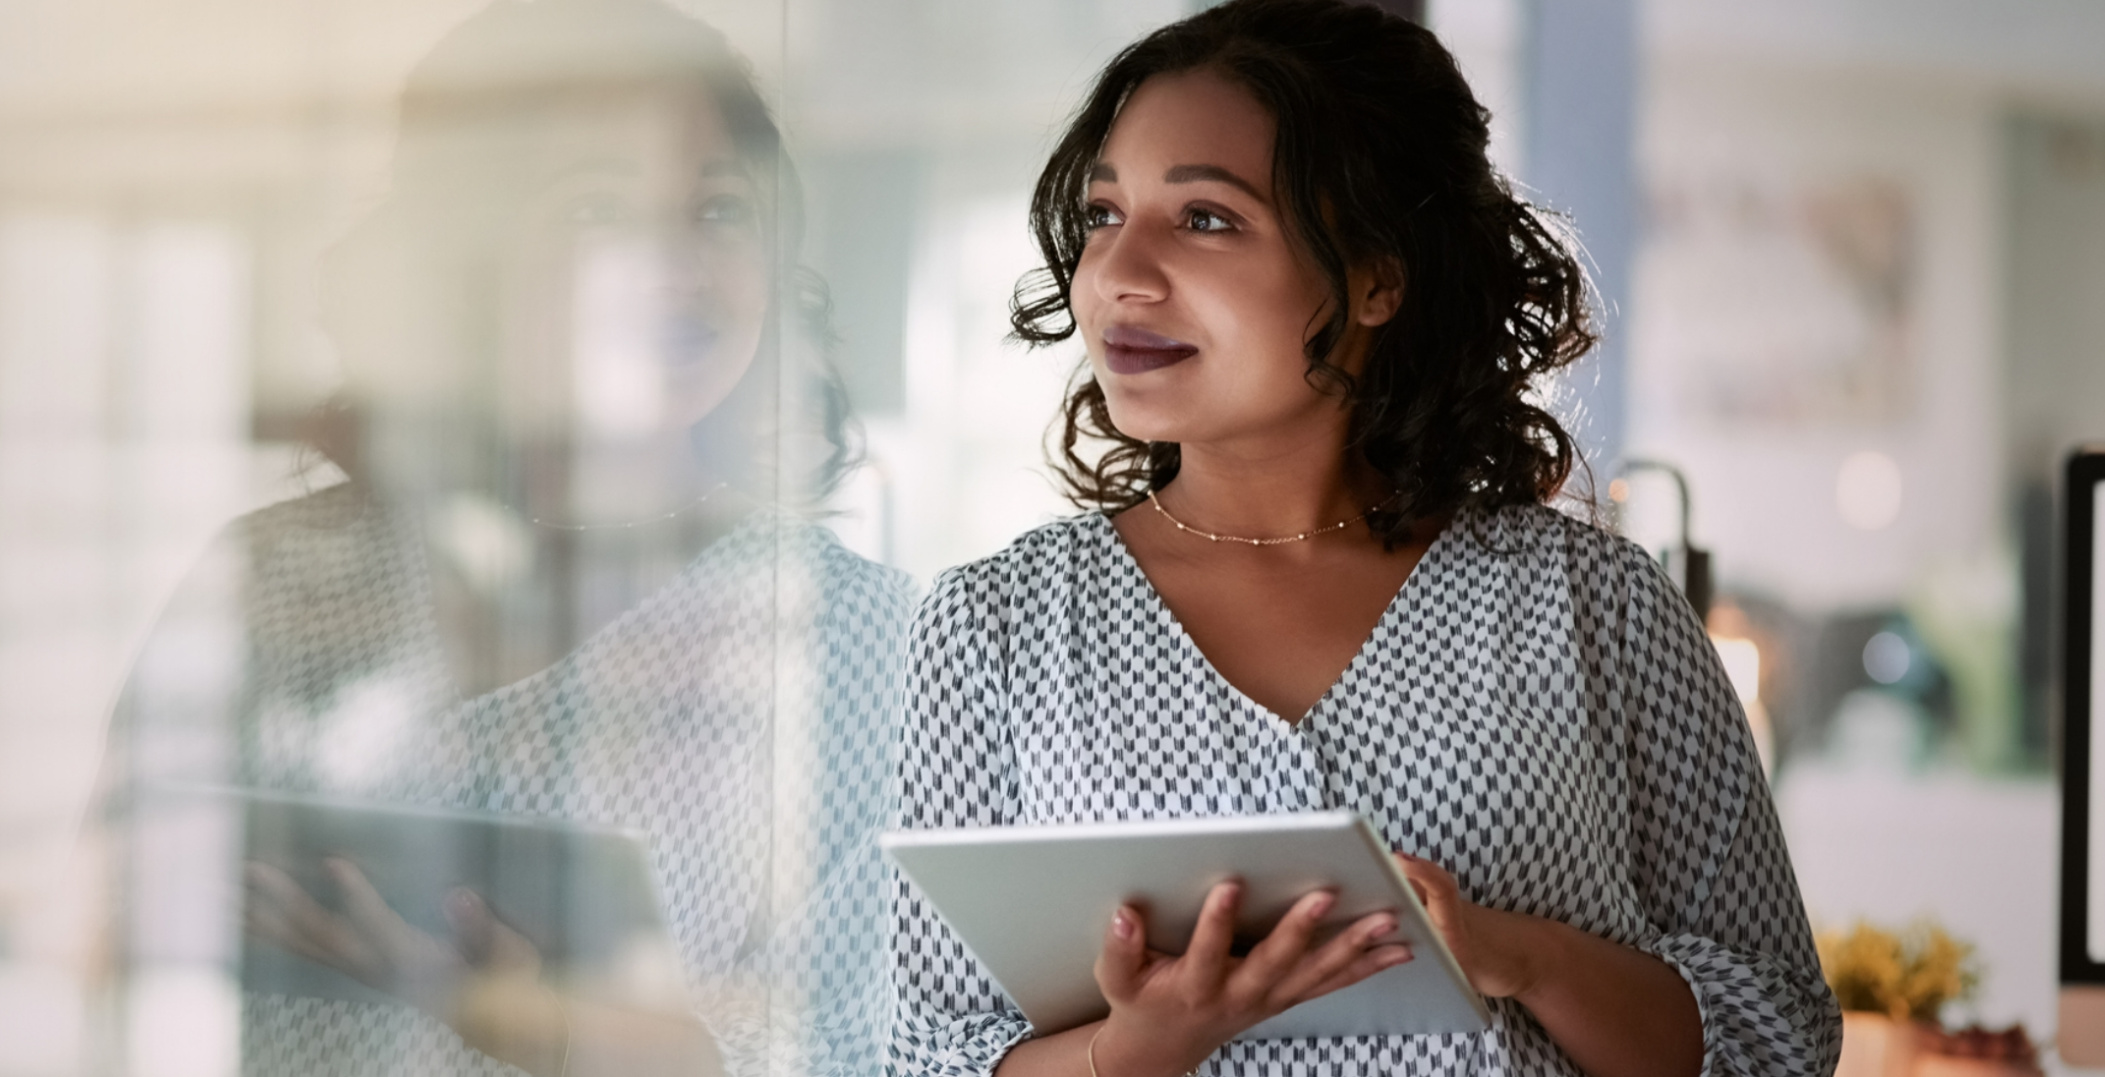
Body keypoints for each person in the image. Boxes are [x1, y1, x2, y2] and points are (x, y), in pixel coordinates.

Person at [885, 2, 1837, 1076]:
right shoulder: (992, 632)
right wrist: (1131, 1052)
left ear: (1377, 278)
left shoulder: (1595, 608)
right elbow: (929, 1056)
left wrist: (1517, 955)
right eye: (1105, 215)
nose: (1120, 274)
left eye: (1205, 219)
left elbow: (1778, 1037)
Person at [95, 2, 907, 1075]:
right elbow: (107, 935)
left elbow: (880, 1047)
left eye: (716, 212)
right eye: (594, 212)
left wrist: (547, 1026)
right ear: (460, 254)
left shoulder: (863, 637)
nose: (672, 262)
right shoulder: (276, 574)